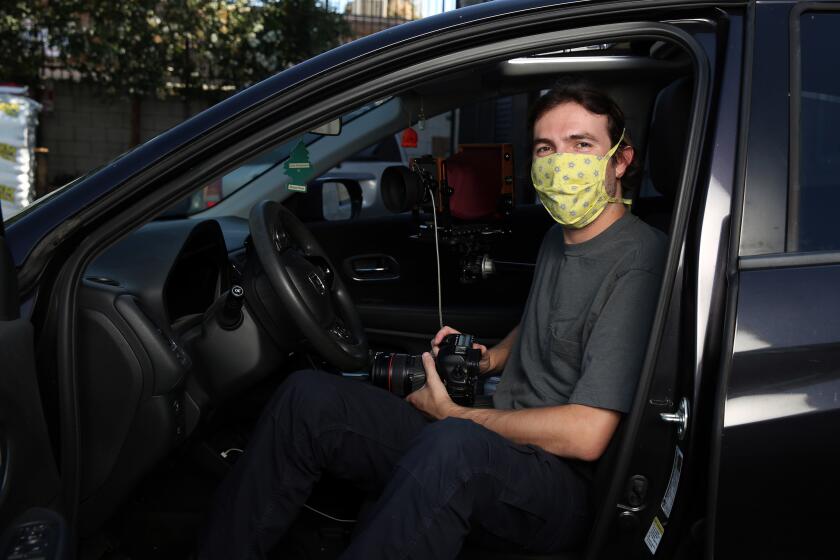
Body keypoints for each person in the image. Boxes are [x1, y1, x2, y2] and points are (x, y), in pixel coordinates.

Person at [199, 80, 667, 559]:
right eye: (546, 148)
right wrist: (489, 361)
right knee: (307, 399)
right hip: (493, 434)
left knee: (452, 446)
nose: (560, 161)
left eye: (581, 144)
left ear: (621, 160)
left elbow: (587, 435)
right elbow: (542, 320)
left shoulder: (639, 260)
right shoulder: (559, 237)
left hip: (559, 484)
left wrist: (459, 415)